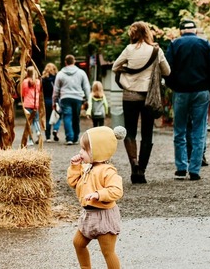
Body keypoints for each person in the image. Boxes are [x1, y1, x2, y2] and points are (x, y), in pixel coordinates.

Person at [112, 21, 170, 184]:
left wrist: (128, 71)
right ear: (147, 32)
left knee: (130, 131)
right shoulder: (156, 50)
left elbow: (115, 66)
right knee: (147, 132)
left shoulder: (129, 50)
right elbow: (167, 71)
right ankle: (142, 170)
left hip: (130, 95)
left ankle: (134, 164)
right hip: (149, 98)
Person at [165, 19, 210, 181]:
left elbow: (166, 69)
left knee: (180, 130)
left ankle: (181, 167)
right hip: (201, 92)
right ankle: (195, 169)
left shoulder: (175, 44)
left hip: (181, 92)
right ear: (195, 30)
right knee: (199, 129)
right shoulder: (205, 44)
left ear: (180, 31)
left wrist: (174, 85)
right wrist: (207, 85)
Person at [68, 125, 126, 269]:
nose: (80, 152)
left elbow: (117, 191)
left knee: (107, 251)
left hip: (104, 217)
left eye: (84, 149)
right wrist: (75, 167)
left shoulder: (108, 171)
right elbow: (73, 182)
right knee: (78, 243)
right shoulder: (86, 167)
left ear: (97, 151)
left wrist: (99, 194)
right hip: (88, 215)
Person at [53, 55, 91, 145]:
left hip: (65, 98)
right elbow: (86, 86)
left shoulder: (60, 74)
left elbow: (56, 88)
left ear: (65, 62)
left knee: (67, 117)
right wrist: (87, 99)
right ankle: (75, 138)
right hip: (78, 98)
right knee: (76, 117)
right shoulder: (81, 73)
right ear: (74, 62)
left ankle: (69, 138)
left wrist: (55, 100)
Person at [20, 66, 42, 147]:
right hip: (35, 104)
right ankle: (38, 132)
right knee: (36, 120)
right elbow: (39, 91)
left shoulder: (25, 82)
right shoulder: (38, 82)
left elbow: (22, 93)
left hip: (27, 104)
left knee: (29, 123)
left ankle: (30, 140)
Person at [42, 63, 59, 142]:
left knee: (47, 118)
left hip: (46, 100)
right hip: (55, 100)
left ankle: (48, 137)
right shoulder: (57, 78)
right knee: (57, 116)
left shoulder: (43, 79)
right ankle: (55, 129)